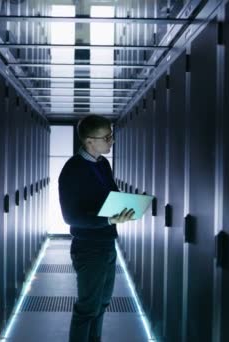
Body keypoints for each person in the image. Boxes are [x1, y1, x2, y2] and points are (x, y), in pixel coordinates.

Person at [58, 115, 135, 342]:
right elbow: (70, 217)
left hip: (107, 243)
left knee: (101, 304)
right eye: (107, 137)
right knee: (87, 308)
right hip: (88, 247)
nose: (112, 141)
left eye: (111, 136)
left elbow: (111, 197)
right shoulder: (73, 170)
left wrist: (129, 205)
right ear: (90, 141)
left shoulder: (103, 164)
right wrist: (108, 220)